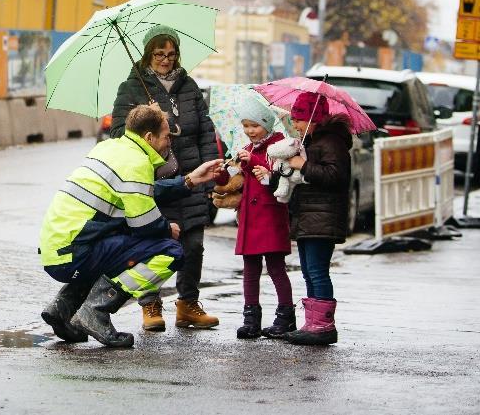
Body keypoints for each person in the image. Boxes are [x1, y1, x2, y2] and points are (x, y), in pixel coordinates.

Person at [39, 104, 225, 348]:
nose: (170, 141)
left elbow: (142, 192)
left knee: (115, 249)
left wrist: (189, 181)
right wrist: (168, 229)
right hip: (74, 253)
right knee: (169, 251)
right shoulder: (137, 163)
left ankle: (62, 308)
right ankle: (96, 310)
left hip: (59, 250)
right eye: (167, 135)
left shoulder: (111, 147)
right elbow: (145, 225)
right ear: (149, 137)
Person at [108, 26, 220, 331]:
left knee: (193, 245)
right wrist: (148, 116)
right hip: (154, 180)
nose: (166, 60)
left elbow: (206, 132)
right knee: (154, 244)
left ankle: (188, 305)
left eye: (171, 54)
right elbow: (118, 134)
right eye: (159, 54)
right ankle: (150, 304)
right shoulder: (131, 88)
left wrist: (210, 176)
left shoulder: (189, 86)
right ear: (148, 54)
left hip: (192, 175)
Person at [216, 98, 295, 340]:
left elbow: (280, 176)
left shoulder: (279, 145)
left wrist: (255, 162)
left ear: (266, 124)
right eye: (246, 126)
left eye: (255, 126)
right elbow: (230, 182)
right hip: (250, 219)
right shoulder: (246, 149)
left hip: (271, 216)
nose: (250, 131)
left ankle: (286, 316)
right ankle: (251, 318)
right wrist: (220, 174)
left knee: (275, 268)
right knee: (250, 269)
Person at [279, 91, 353, 346]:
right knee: (310, 272)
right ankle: (313, 323)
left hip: (323, 217)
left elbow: (335, 176)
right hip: (310, 216)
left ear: (313, 118)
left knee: (318, 271)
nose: (295, 125)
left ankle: (322, 327)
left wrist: (302, 164)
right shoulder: (314, 142)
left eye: (298, 119)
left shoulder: (331, 142)